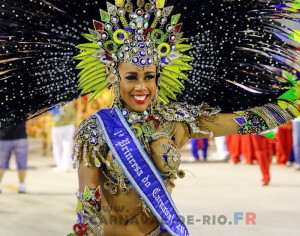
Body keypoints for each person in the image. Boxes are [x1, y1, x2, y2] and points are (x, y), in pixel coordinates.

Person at [1, 1, 300, 236]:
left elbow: (249, 122)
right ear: (114, 76)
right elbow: (88, 203)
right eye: (131, 77)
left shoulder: (178, 120)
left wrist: (294, 106)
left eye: (149, 76)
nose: (141, 87)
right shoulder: (97, 129)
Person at [0, 122, 28, 193]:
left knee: (1, 163)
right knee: (22, 162)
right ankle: (22, 185)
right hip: (20, 137)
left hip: (4, 137)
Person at [50, 103, 76, 171]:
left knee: (58, 145)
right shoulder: (69, 102)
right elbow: (73, 114)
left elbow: (51, 112)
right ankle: (65, 165)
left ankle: (61, 165)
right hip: (68, 125)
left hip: (58, 126)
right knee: (67, 145)